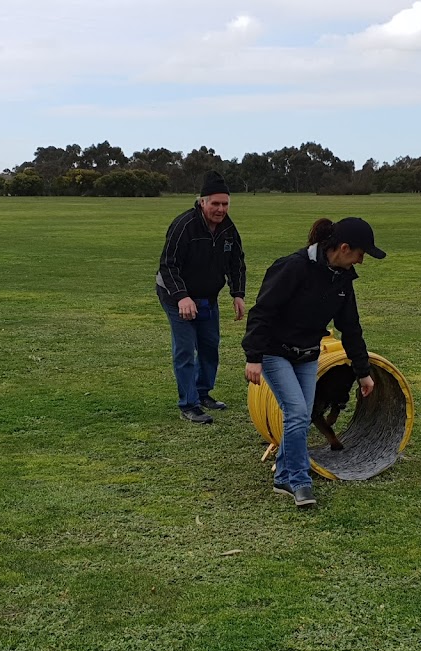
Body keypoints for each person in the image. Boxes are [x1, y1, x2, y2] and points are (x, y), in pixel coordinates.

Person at [242, 217, 385, 507]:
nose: (361, 261)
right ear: (344, 248)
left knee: (302, 415)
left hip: (308, 354)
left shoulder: (343, 279)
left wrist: (363, 372)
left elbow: (351, 327)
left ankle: (283, 475)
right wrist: (253, 357)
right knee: (296, 412)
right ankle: (299, 481)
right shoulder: (292, 267)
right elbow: (262, 312)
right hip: (274, 352)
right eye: (361, 254)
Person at [156, 170, 247, 424]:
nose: (220, 209)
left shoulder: (228, 228)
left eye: (225, 204)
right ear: (202, 201)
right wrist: (182, 297)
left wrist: (238, 294)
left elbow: (236, 263)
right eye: (215, 203)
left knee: (209, 346)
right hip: (176, 295)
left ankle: (203, 392)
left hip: (208, 296)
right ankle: (189, 404)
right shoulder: (184, 225)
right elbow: (168, 265)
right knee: (185, 348)